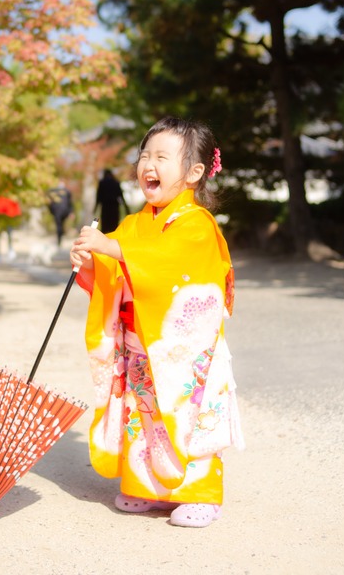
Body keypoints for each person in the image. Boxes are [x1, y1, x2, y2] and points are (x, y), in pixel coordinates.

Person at [69, 116, 242, 528]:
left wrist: (110, 247)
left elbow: (168, 263)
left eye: (163, 157)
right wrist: (91, 261)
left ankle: (201, 493)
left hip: (184, 352)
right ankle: (146, 487)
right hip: (141, 348)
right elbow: (117, 271)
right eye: (145, 154)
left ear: (193, 173)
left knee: (187, 415)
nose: (149, 163)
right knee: (142, 416)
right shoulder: (134, 223)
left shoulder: (197, 225)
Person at [94, 168, 128, 233]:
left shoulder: (102, 183)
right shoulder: (116, 182)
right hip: (114, 206)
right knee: (114, 226)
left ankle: (105, 239)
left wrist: (95, 208)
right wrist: (126, 208)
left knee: (105, 226)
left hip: (105, 207)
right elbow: (121, 196)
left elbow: (98, 196)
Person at [46, 181, 74, 247]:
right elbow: (70, 203)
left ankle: (60, 238)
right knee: (60, 225)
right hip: (61, 211)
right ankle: (59, 239)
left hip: (59, 212)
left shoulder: (56, 191)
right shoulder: (64, 191)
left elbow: (69, 203)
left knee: (59, 226)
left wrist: (71, 212)